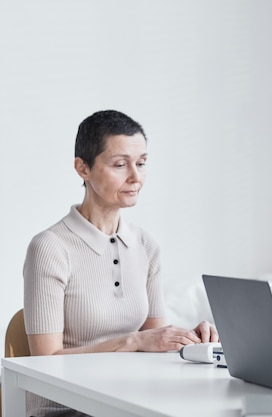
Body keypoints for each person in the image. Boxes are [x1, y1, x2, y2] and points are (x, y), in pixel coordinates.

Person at [23, 110, 219, 416]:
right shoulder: (50, 247)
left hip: (130, 400)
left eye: (141, 163)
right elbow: (45, 358)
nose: (136, 177)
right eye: (119, 164)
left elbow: (155, 341)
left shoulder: (146, 245)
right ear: (82, 168)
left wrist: (189, 339)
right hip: (66, 409)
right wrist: (131, 341)